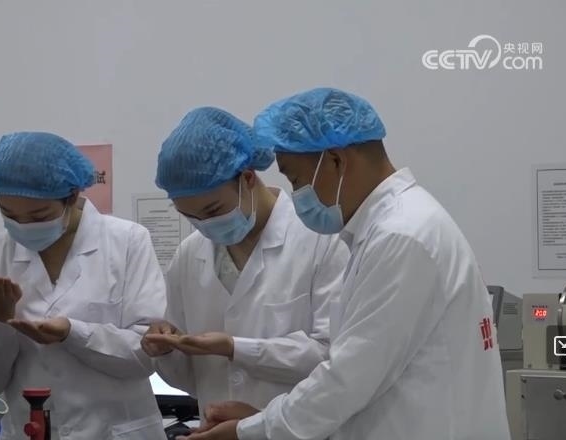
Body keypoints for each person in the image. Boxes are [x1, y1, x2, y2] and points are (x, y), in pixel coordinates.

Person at [183, 88, 510, 440]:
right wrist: (260, 419)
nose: (296, 194)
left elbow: (346, 380)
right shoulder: (393, 227)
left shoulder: (401, 236)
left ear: (336, 160)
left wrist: (248, 431)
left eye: (295, 179)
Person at [141, 107, 348, 416]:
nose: (206, 225)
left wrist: (236, 348)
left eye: (213, 210)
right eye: (190, 216)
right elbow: (192, 380)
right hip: (216, 426)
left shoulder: (322, 239)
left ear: (248, 178)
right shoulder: (189, 255)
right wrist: (166, 350)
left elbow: (333, 356)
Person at [0, 132, 167, 439]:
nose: (23, 227)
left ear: (71, 196)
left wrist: (73, 333)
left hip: (114, 431)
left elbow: (147, 355)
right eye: (9, 215)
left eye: (38, 215)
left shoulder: (127, 241)